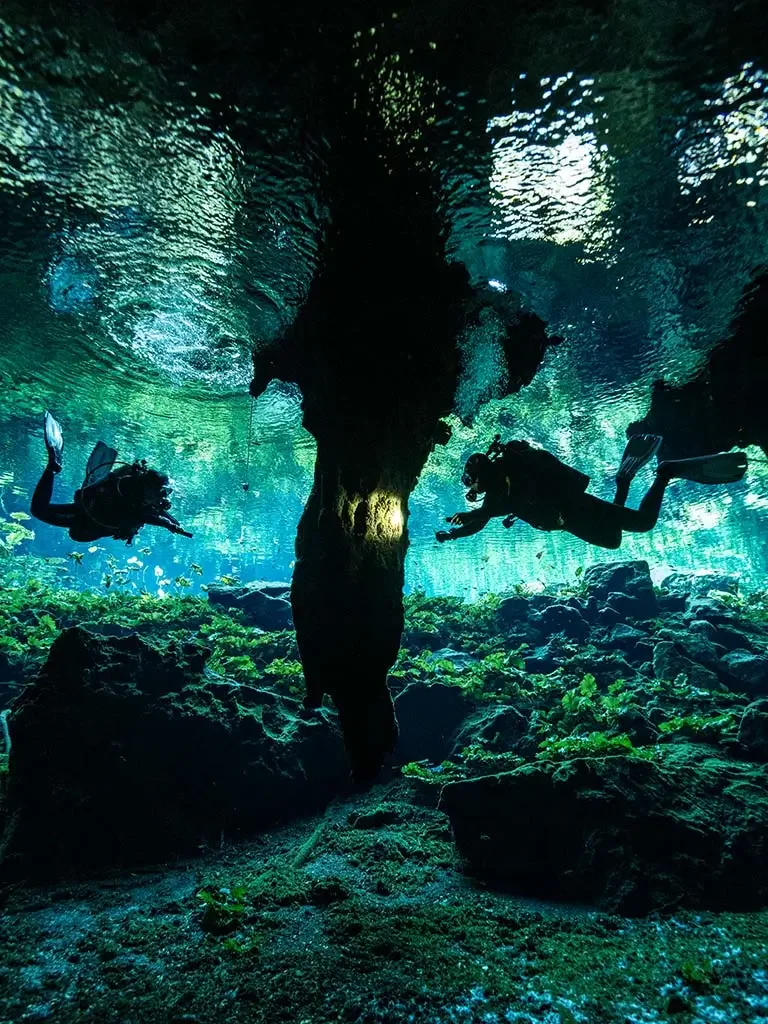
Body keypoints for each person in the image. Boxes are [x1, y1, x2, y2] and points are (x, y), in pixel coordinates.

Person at [436, 433, 747, 550]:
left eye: (472, 481)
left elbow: (486, 513)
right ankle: (623, 482)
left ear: (482, 477)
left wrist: (468, 517)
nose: (472, 488)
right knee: (613, 541)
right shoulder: (498, 493)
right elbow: (483, 518)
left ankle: (666, 473)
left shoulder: (510, 478)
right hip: (569, 520)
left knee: (643, 524)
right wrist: (455, 534)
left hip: (575, 508)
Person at [30, 411, 193, 544]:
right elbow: (149, 517)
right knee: (38, 511)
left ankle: (52, 469)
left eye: (167, 492)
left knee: (39, 510)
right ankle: (53, 467)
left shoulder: (141, 496)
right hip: (87, 519)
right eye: (162, 491)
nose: (164, 495)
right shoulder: (133, 501)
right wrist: (169, 524)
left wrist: (172, 522)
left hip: (92, 516)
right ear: (148, 489)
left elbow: (157, 515)